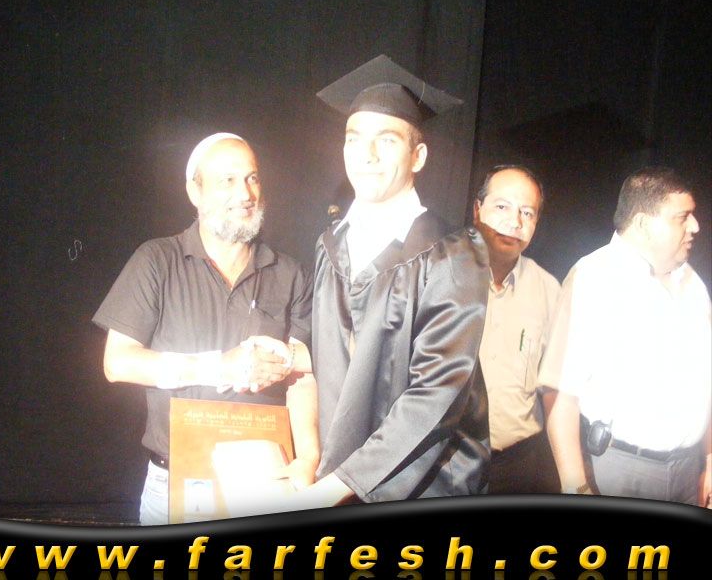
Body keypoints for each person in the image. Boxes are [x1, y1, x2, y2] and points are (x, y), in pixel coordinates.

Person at [286, 54, 491, 508]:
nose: (368, 155)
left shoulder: (453, 252)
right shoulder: (330, 244)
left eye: (387, 139)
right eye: (354, 138)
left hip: (423, 486)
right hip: (337, 482)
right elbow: (329, 359)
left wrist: (334, 488)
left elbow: (436, 394)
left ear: (418, 156)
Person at [92, 132, 320, 524]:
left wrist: (309, 457)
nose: (245, 194)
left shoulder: (291, 274)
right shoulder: (157, 261)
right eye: (226, 181)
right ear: (194, 192)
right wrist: (221, 367)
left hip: (265, 480)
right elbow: (118, 363)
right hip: (176, 483)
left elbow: (303, 375)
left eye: (251, 178)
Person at [541, 166, 711, 506]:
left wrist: (710, 457)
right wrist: (576, 488)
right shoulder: (594, 277)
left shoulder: (693, 284)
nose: (695, 226)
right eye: (682, 217)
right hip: (619, 471)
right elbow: (560, 396)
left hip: (688, 470)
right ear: (644, 223)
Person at [473, 164, 561, 494]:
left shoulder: (549, 290)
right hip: (444, 459)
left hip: (517, 465)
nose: (515, 222)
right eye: (502, 207)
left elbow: (553, 384)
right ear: (477, 210)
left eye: (528, 213)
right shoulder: (440, 274)